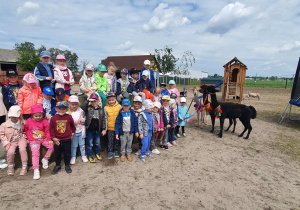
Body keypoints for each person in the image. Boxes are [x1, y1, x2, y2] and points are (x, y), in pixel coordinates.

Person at [25, 105, 54, 180]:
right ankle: (36, 169)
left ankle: (45, 159)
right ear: (32, 115)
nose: (38, 117)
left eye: (40, 115)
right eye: (36, 116)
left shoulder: (44, 121)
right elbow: (26, 130)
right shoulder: (28, 121)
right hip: (33, 140)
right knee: (35, 153)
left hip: (43, 139)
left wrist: (49, 139)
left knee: (51, 147)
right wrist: (27, 138)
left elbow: (47, 131)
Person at [0, 106, 27, 176]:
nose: (14, 118)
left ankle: (24, 165)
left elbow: (26, 130)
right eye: (12, 116)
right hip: (11, 141)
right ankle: (10, 165)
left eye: (15, 116)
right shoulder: (4, 125)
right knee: (10, 152)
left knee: (23, 149)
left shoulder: (22, 122)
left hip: (21, 138)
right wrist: (6, 143)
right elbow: (1, 135)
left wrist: (26, 138)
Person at [50, 101, 75, 175]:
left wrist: (72, 133)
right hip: (57, 140)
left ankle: (67, 165)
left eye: (64, 108)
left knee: (67, 153)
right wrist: (54, 138)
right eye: (60, 108)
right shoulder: (53, 118)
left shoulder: (69, 117)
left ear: (67, 109)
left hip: (67, 139)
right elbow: (51, 129)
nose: (62, 110)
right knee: (57, 154)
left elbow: (73, 126)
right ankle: (58, 165)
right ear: (56, 109)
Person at [80, 93, 106, 163]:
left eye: (95, 101)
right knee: (89, 144)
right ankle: (90, 155)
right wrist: (88, 100)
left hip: (98, 130)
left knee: (97, 143)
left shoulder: (101, 109)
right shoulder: (88, 108)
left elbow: (103, 119)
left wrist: (104, 129)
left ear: (98, 101)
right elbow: (81, 107)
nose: (94, 102)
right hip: (89, 130)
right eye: (92, 101)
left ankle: (98, 153)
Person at [68, 95, 87, 164]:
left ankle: (83, 155)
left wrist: (83, 120)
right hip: (73, 132)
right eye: (72, 104)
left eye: (76, 104)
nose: (74, 106)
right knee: (74, 145)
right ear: (69, 104)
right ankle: (73, 156)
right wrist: (73, 123)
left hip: (81, 130)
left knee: (82, 144)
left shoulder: (80, 111)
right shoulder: (68, 113)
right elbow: (66, 123)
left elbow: (84, 117)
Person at [104, 92, 121, 159]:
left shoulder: (119, 106)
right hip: (110, 128)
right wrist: (105, 128)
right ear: (107, 100)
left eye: (112, 100)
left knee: (116, 140)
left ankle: (115, 150)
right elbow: (105, 118)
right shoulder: (105, 108)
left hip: (117, 128)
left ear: (115, 99)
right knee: (110, 140)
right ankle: (110, 151)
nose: (111, 101)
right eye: (109, 100)